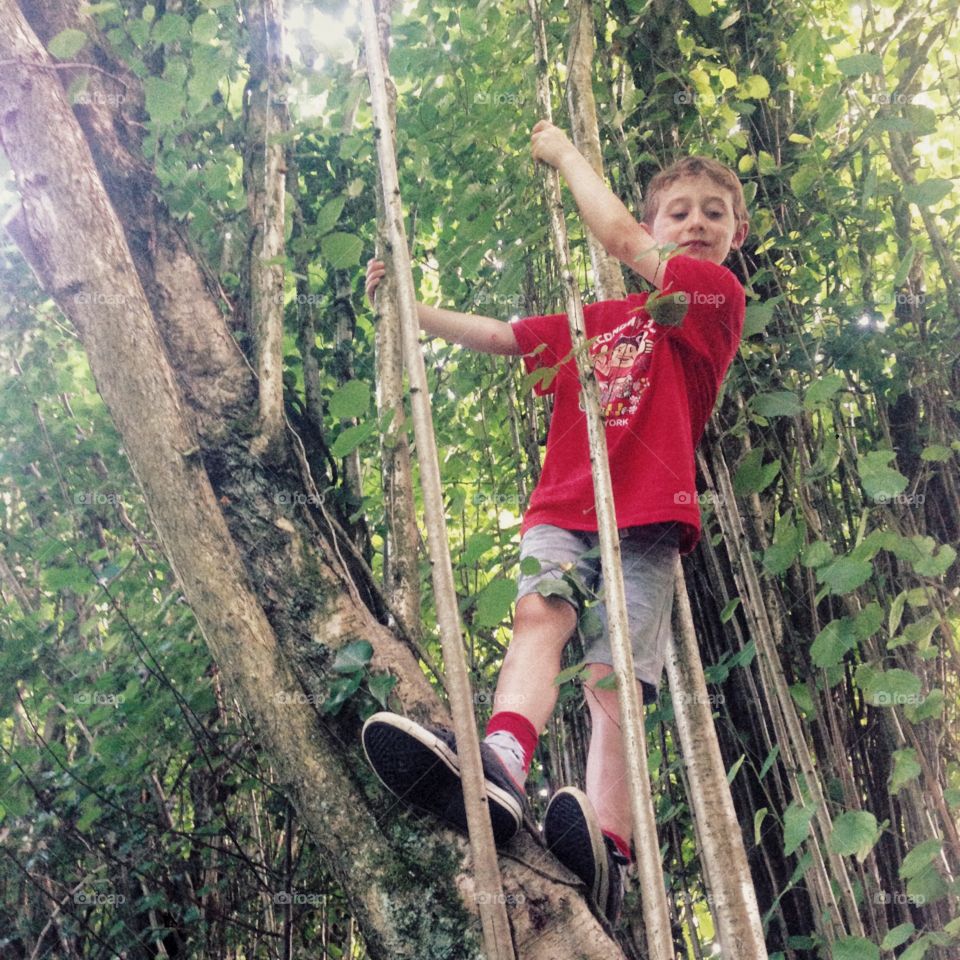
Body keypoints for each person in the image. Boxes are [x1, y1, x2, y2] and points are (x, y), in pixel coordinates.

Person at [361, 119, 749, 925]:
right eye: (679, 211)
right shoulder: (597, 321)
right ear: (656, 224)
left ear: (736, 236)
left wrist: (567, 151)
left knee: (618, 677)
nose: (698, 224)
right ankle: (504, 760)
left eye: (715, 212)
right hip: (562, 506)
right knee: (541, 615)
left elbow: (612, 229)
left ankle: (608, 844)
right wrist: (412, 309)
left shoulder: (713, 300)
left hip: (648, 521)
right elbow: (507, 337)